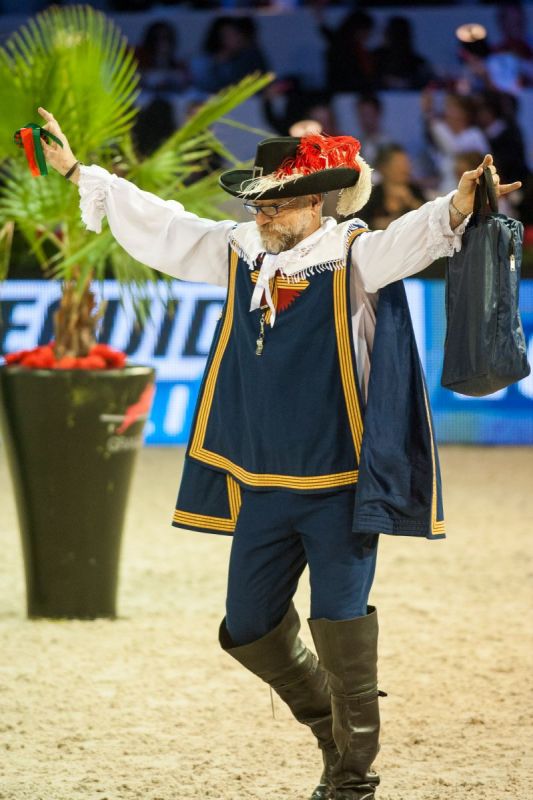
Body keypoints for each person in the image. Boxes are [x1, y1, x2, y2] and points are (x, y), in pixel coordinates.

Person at [38, 106, 521, 800]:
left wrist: (458, 202)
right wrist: (79, 173)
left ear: (315, 202)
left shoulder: (357, 254)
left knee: (340, 628)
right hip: (260, 484)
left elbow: (416, 236)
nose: (264, 213)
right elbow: (166, 227)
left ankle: (352, 779)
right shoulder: (237, 252)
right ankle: (334, 732)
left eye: (279, 202)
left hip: (341, 489)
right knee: (246, 626)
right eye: (259, 201)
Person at [360, 144, 425, 230]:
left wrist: (411, 201)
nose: (405, 169)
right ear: (383, 168)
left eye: (406, 163)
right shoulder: (370, 197)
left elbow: (430, 217)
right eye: (398, 164)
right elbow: (360, 225)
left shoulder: (415, 191)